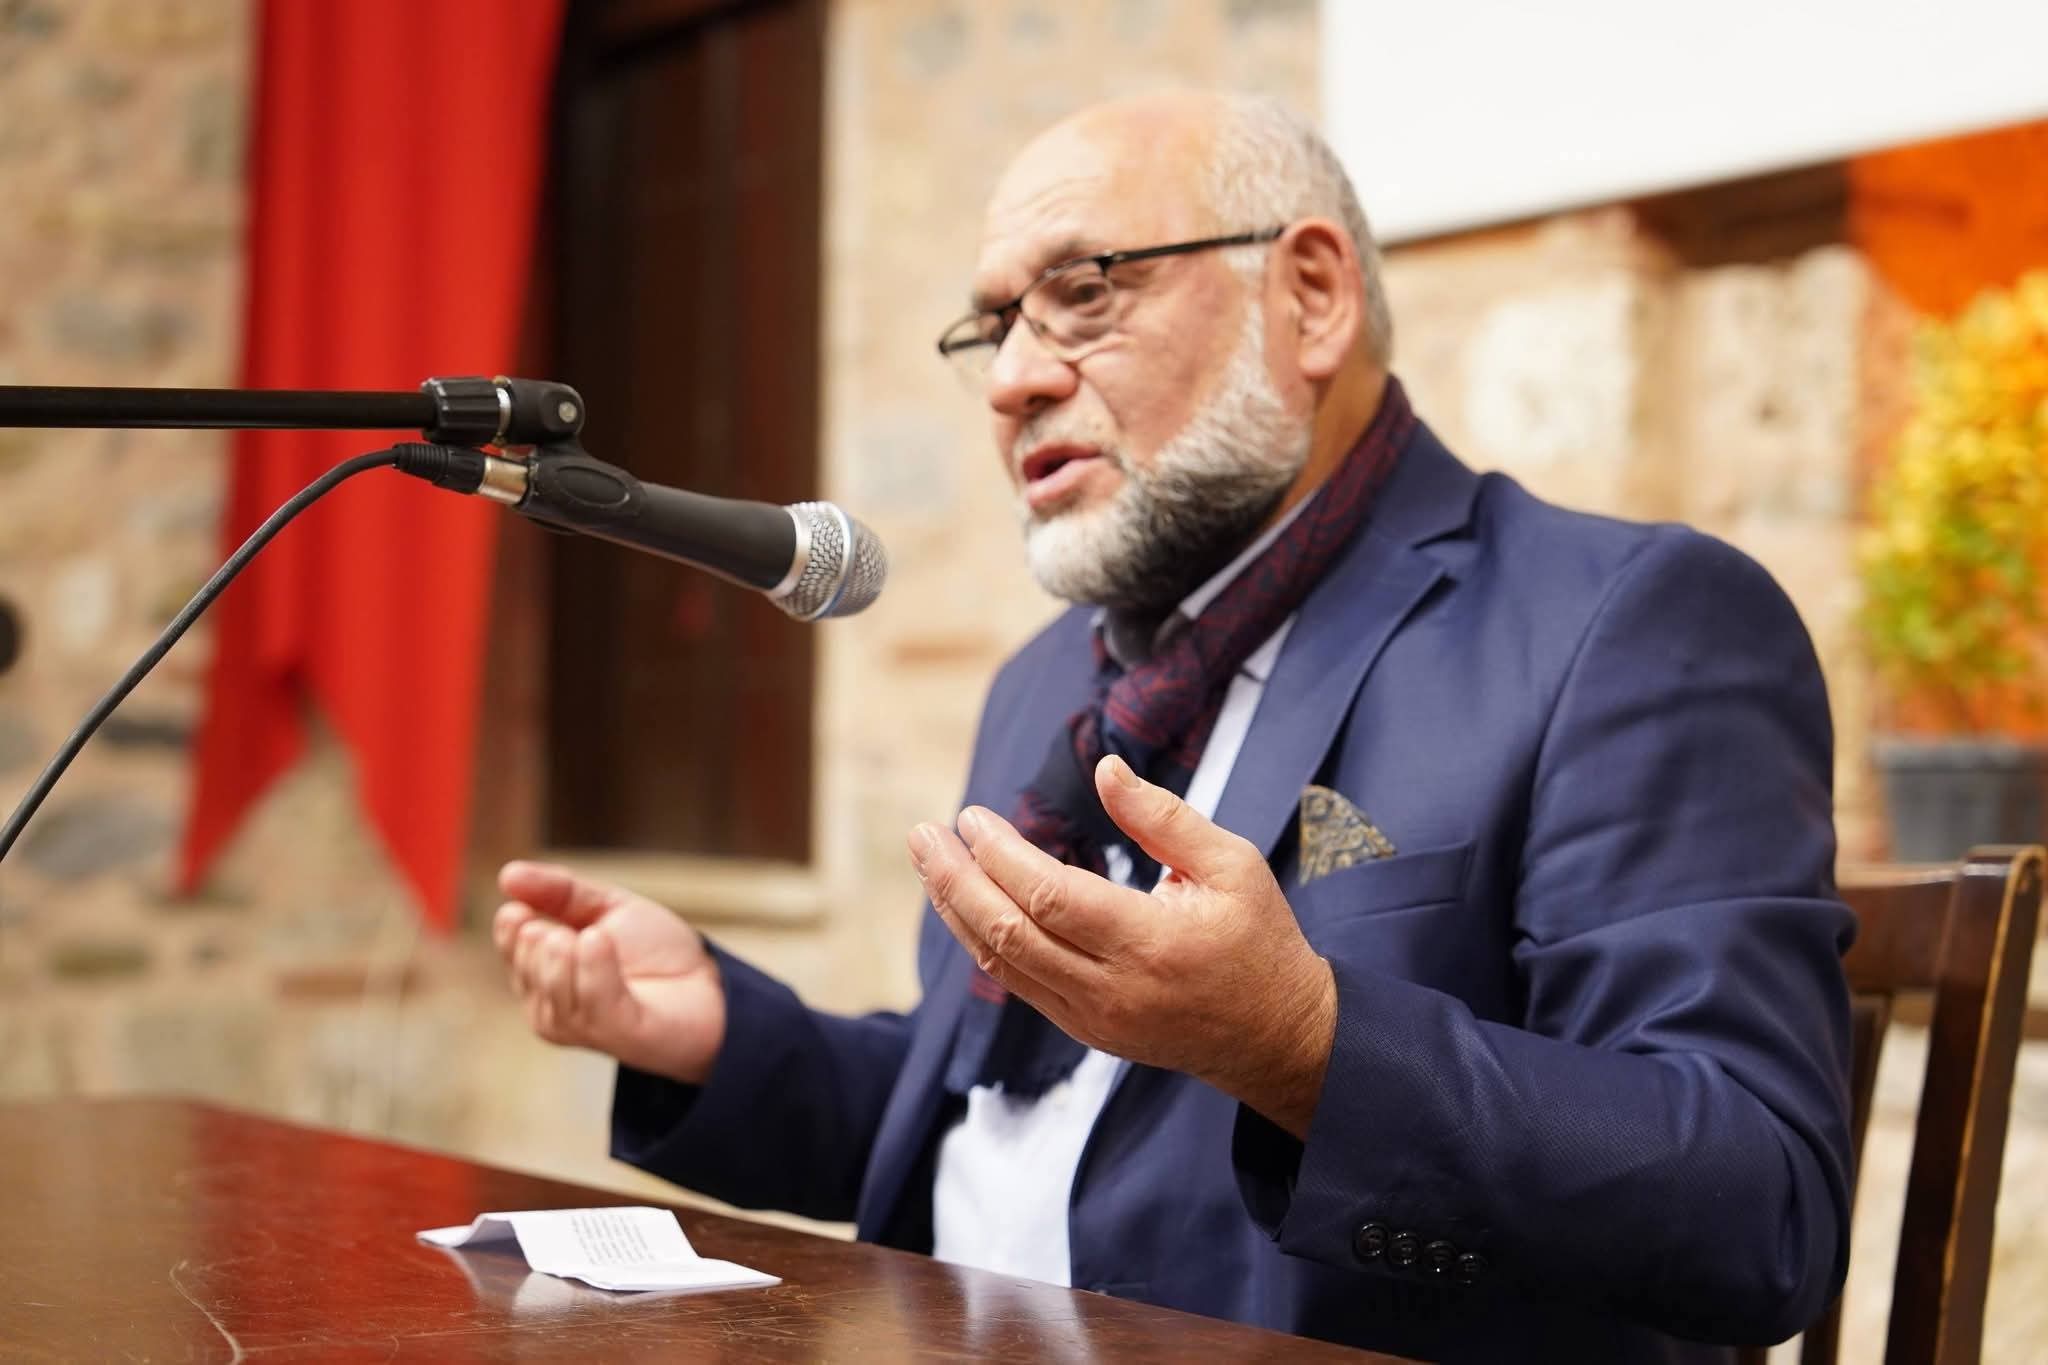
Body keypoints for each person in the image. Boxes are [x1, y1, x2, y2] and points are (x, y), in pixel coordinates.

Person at [494, 91, 1854, 1363]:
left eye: (1083, 294)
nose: (1012, 378)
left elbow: (1761, 1204)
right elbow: (1007, 1126)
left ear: (1309, 297)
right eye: (993, 326)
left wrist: (1305, 1044)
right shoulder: (1049, 683)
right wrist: (724, 1034)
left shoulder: (1618, 625)